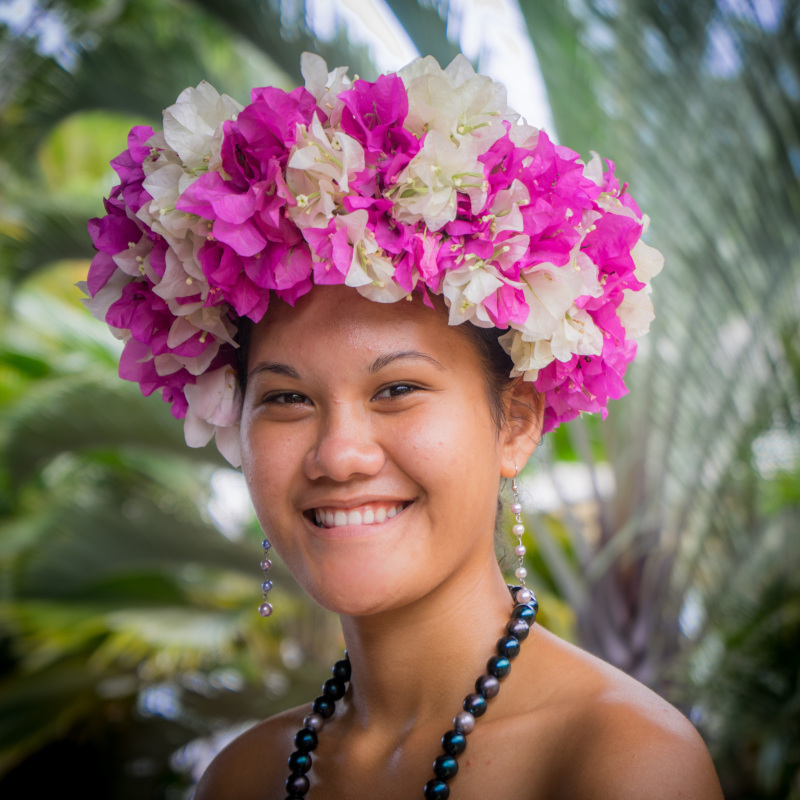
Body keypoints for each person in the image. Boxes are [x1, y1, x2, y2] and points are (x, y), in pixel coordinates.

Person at [83, 53, 724, 799]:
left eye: (396, 389)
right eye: (287, 400)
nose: (339, 455)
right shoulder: (240, 779)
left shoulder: (623, 763)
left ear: (514, 423)